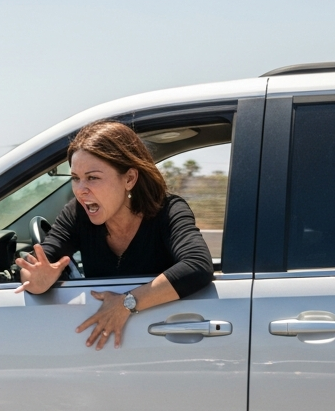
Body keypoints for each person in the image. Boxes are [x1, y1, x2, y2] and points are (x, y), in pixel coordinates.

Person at [15, 120, 213, 350]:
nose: (80, 189)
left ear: (129, 179)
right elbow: (39, 264)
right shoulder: (78, 213)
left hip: (168, 343)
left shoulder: (169, 210)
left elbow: (198, 266)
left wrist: (126, 303)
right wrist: (36, 281)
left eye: (93, 178)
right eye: (76, 178)